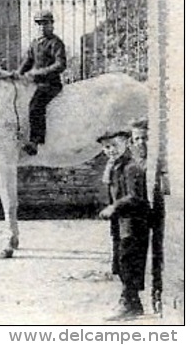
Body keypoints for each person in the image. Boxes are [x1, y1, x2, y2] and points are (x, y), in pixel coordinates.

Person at [97, 129, 151, 321]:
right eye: (106, 147)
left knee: (128, 261)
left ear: (126, 144)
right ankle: (131, 302)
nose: (110, 150)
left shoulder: (130, 167)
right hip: (120, 222)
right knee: (121, 262)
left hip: (132, 221)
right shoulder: (114, 166)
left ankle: (129, 303)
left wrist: (114, 207)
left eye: (114, 146)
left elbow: (135, 196)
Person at [14, 10, 67, 156]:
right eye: (39, 24)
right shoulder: (35, 43)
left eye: (45, 24)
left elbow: (60, 65)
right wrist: (18, 73)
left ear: (52, 25)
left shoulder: (56, 43)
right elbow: (28, 61)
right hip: (35, 84)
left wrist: (39, 72)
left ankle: (35, 142)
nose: (42, 27)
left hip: (50, 85)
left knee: (35, 105)